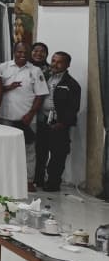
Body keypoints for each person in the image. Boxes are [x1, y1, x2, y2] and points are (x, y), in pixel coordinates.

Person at [0, 42, 49, 189]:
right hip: (5, 117)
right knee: (5, 150)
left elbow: (40, 95)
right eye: (19, 52)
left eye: (25, 53)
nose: (22, 55)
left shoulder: (35, 70)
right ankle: (5, 180)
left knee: (29, 151)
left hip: (27, 119)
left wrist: (31, 113)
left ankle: (28, 181)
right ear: (14, 52)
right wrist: (8, 87)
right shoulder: (2, 67)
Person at [35, 51, 81, 191]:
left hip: (59, 124)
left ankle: (53, 183)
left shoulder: (72, 84)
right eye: (53, 60)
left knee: (58, 155)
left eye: (59, 62)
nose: (55, 64)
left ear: (67, 65)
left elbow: (73, 107)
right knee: (40, 152)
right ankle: (38, 180)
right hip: (42, 121)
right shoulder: (45, 77)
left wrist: (63, 123)